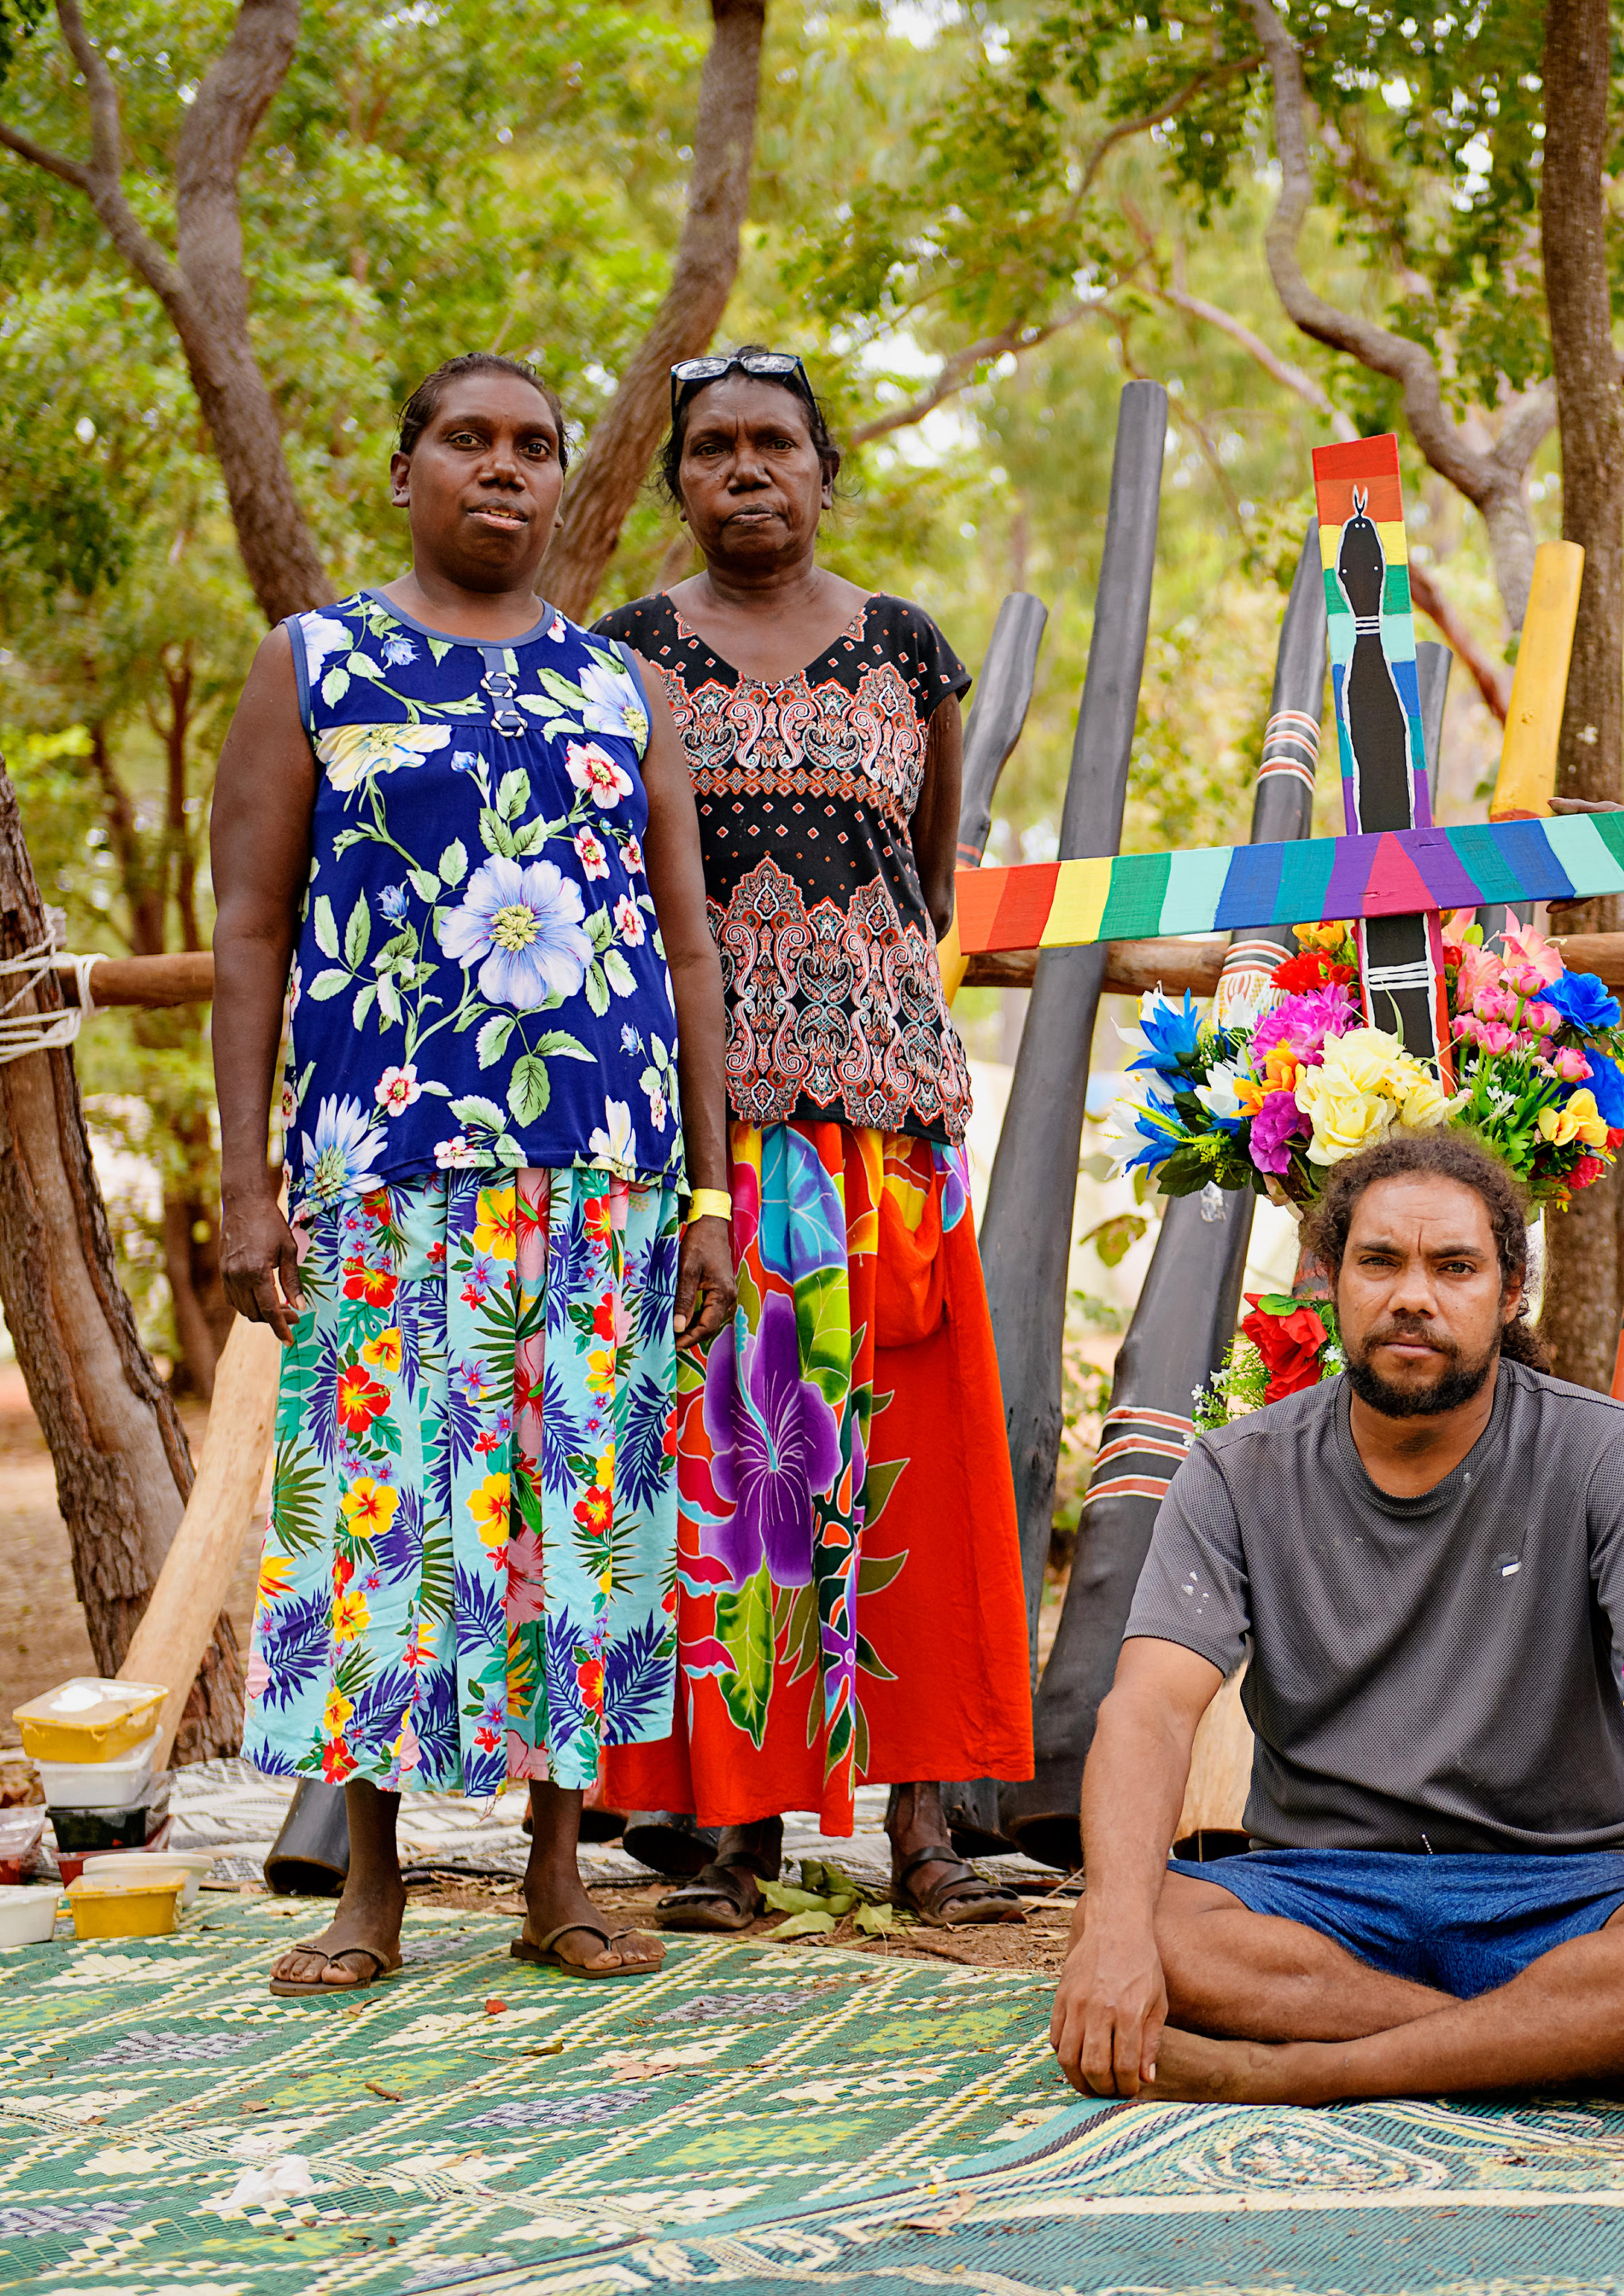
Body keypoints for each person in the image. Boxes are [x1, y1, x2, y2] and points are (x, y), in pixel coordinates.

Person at [212, 353, 735, 1995]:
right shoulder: (314, 664)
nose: (500, 469)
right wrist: (248, 1183)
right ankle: (365, 1876)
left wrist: (709, 1194)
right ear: (405, 470)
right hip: (385, 1169)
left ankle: (556, 1863)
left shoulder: (617, 687)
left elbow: (690, 944)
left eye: (533, 448)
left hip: (603, 1174)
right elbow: (246, 932)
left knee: (579, 1522)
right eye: (467, 439)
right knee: (379, 1518)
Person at [1049, 1133, 1624, 2107]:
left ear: (1511, 1288)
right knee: (1126, 1921)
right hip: (1318, 1894)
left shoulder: (1602, 1452)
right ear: (1328, 1281)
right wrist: (1114, 1932)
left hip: (1561, 1887)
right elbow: (1147, 1710)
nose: (1414, 1294)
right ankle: (1539, 2041)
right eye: (1380, 1261)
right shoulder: (1239, 1471)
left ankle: (1302, 2070)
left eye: (1454, 1266)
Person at [592, 348, 1034, 1928]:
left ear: (824, 469)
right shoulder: (624, 655)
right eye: (711, 450)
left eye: (775, 443)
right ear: (678, 483)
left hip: (884, 1119)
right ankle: (738, 1835)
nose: (745, 471)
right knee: (731, 1472)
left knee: (907, 1468)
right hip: (709, 1141)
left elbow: (925, 865)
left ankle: (925, 1832)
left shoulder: (909, 650)